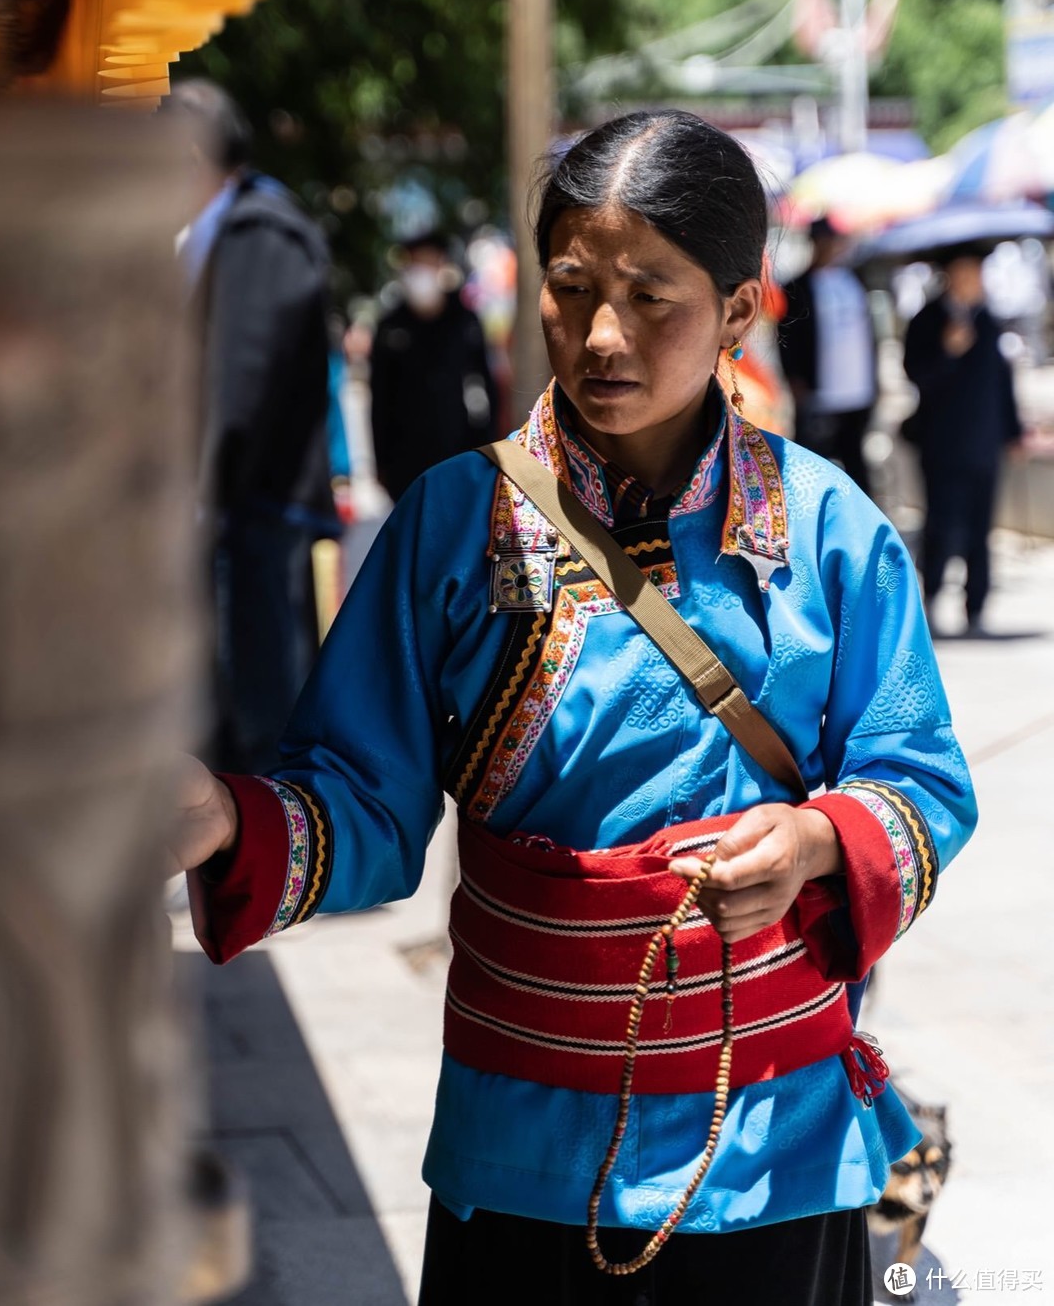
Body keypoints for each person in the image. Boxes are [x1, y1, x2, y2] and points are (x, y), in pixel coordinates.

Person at [174, 111, 975, 1305]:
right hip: (521, 1150)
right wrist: (226, 821)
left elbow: (919, 781)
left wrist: (819, 838)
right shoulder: (452, 526)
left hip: (774, 1145)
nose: (601, 335)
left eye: (655, 296)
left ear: (741, 315)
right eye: (569, 286)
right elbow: (363, 801)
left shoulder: (831, 531)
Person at [171, 79, 336, 775]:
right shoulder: (228, 229)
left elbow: (239, 386)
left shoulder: (261, 233)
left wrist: (195, 492)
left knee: (260, 713)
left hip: (253, 513)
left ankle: (274, 867)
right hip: (239, 511)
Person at [903, 250, 1023, 635]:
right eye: (967, 274)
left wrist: (1013, 431)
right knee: (941, 523)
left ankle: (977, 607)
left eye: (978, 274)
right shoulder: (927, 319)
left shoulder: (987, 320)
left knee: (980, 528)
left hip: (983, 441)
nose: (975, 282)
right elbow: (916, 375)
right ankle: (933, 595)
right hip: (942, 443)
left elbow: (1003, 383)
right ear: (950, 277)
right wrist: (947, 352)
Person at [370, 231, 499, 501]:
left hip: (459, 450)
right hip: (404, 461)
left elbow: (486, 386)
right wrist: (380, 462)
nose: (421, 272)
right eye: (415, 264)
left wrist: (490, 447)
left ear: (441, 265)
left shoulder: (464, 320)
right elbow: (379, 398)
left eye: (428, 263)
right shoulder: (391, 325)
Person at [778, 215, 878, 493]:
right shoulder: (797, 287)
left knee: (856, 465)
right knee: (810, 467)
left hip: (857, 392)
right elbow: (786, 337)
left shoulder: (854, 280)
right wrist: (794, 379)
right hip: (818, 393)